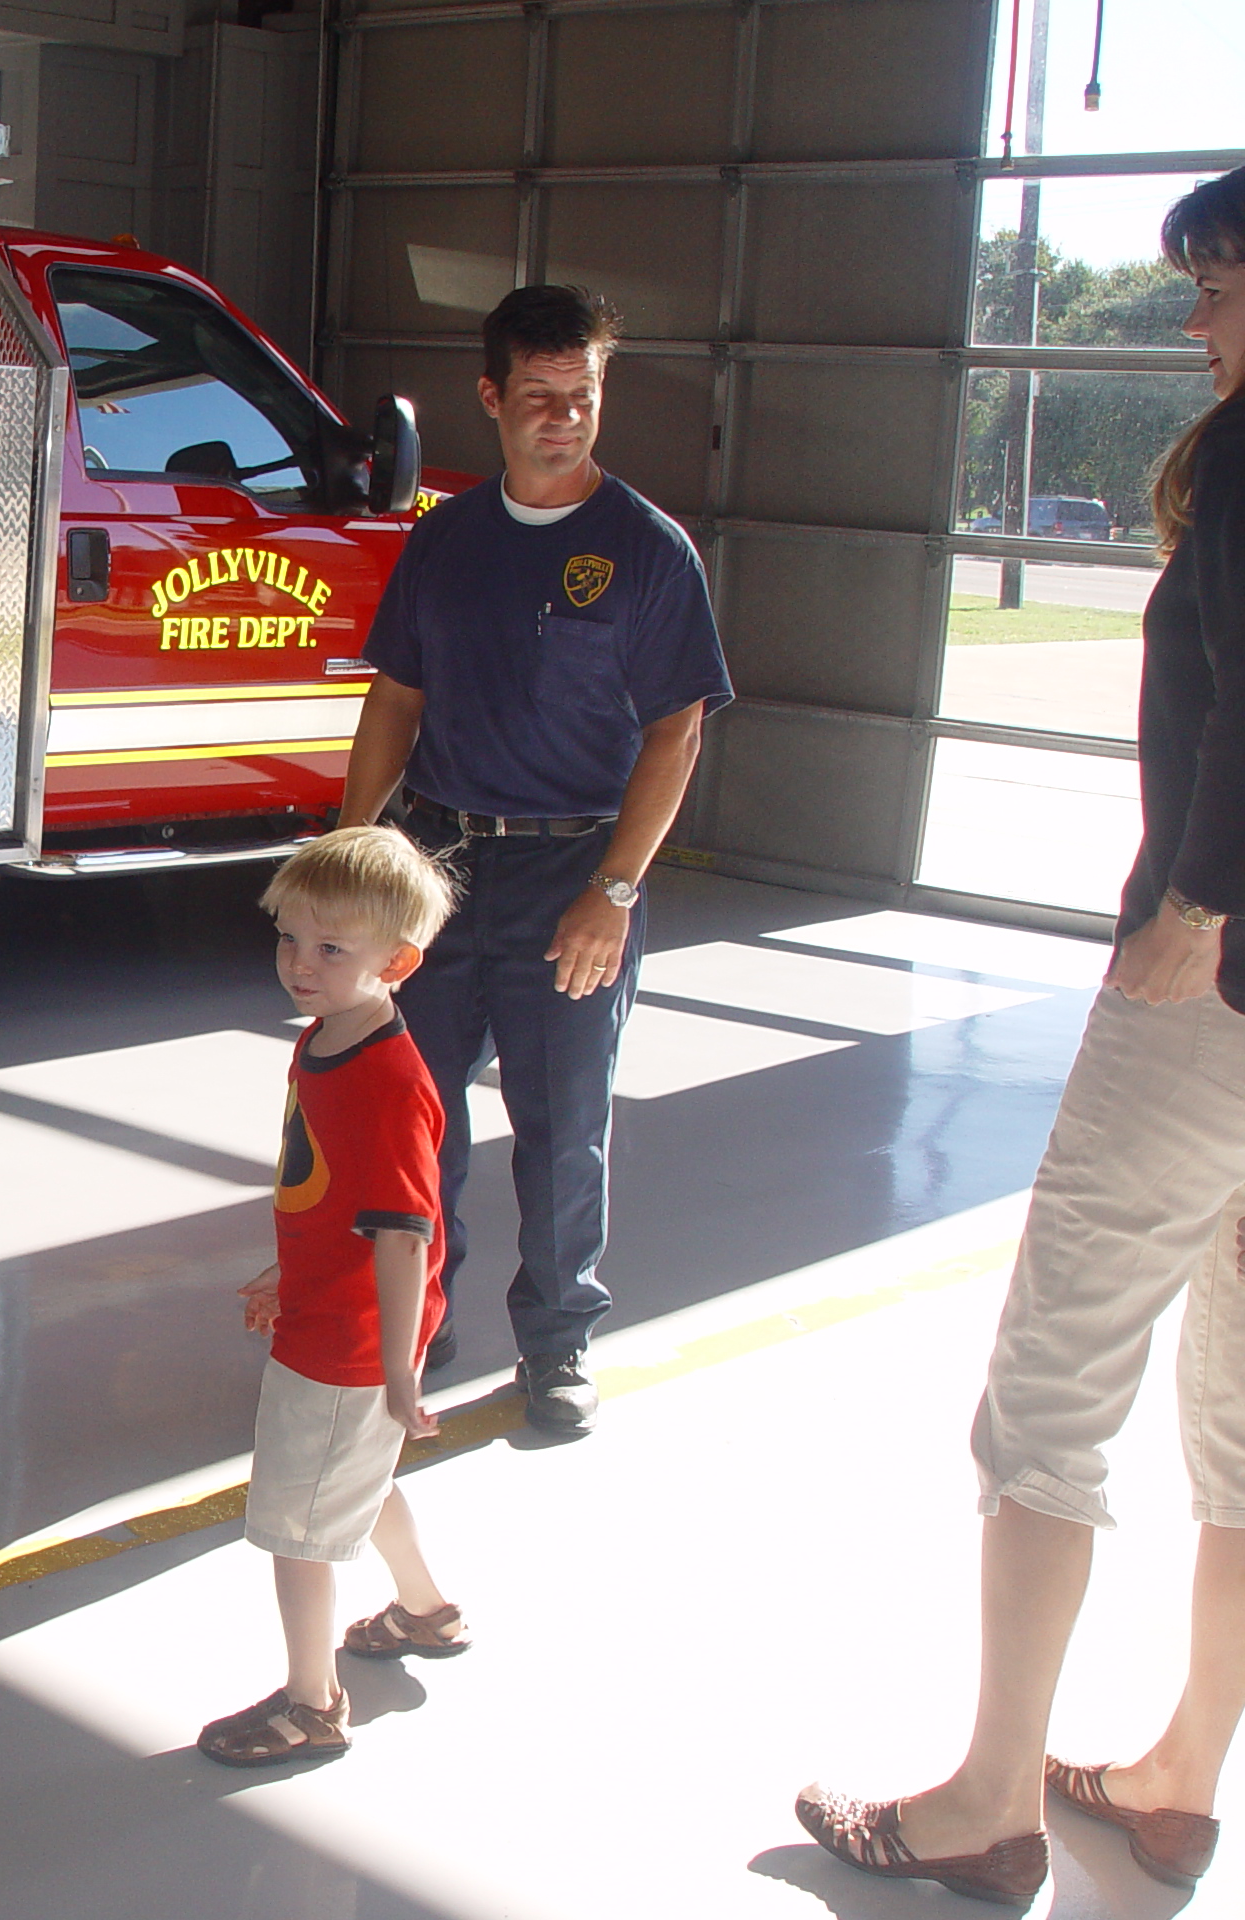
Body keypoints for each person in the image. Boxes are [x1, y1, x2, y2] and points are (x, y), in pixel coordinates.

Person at [796, 165, 1245, 1914]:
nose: (1197, 323)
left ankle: (991, 1798)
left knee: (1054, 1383)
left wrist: (1197, 912)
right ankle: (1182, 1770)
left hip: (1211, 995)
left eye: (1215, 289)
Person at [340, 284, 731, 1437]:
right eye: (539, 399)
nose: (563, 420)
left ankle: (556, 1347)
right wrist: (353, 856)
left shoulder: (646, 552)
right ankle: (416, 1324)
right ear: (490, 399)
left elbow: (677, 729)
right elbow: (395, 698)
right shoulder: (445, 540)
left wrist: (613, 890)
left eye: (582, 398)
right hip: (438, 867)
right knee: (416, 1119)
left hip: (573, 883)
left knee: (563, 1127)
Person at [197, 828, 470, 1767]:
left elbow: (403, 1234)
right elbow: (343, 1198)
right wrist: (295, 1271)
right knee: (357, 1479)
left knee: (297, 1526)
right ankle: (425, 1610)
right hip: (340, 1312)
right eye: (289, 939)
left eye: (330, 949)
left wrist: (394, 1368)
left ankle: (311, 1704)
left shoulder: (387, 1082)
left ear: (398, 961)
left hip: (351, 1342)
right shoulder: (330, 1038)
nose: (299, 966)